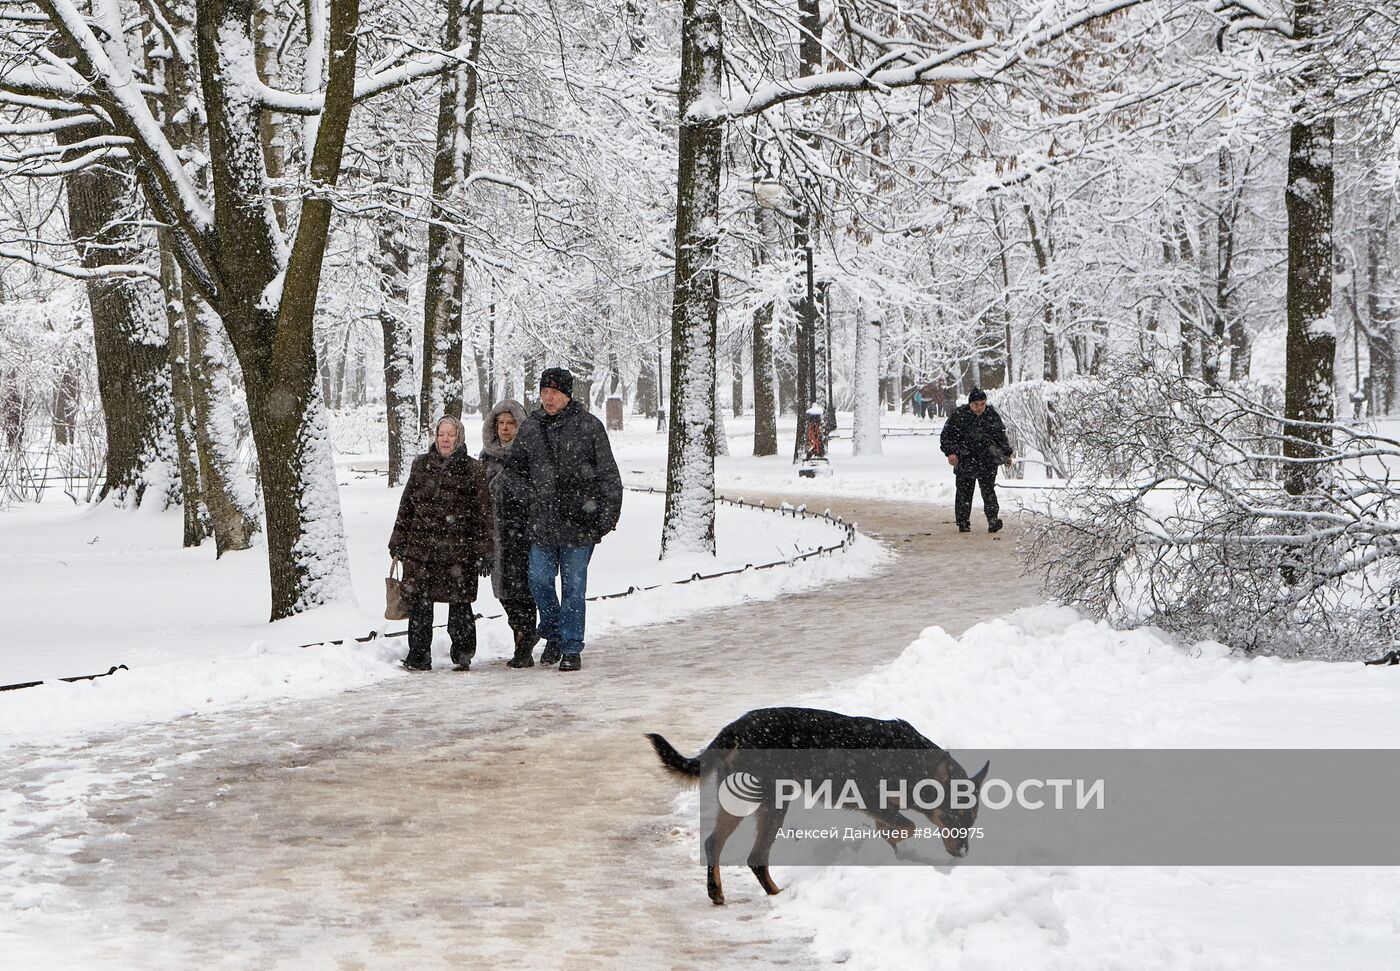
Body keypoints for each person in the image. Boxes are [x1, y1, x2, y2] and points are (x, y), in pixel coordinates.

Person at [508, 367, 623, 672]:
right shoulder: (530, 428)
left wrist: (606, 517)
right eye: (545, 392)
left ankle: (571, 646)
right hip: (542, 522)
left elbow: (608, 475)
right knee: (539, 578)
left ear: (568, 395)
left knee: (573, 586)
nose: (549, 398)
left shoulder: (589, 427)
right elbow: (514, 473)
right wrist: (530, 497)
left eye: (555, 393)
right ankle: (554, 629)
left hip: (579, 523)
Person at [388, 415, 494, 671]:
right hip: (422, 549)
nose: (445, 439)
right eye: (441, 434)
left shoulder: (473, 469)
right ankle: (419, 656)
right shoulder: (421, 465)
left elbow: (483, 515)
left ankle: (463, 654)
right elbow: (407, 507)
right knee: (420, 606)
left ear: (459, 437)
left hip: (459, 551)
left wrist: (484, 551)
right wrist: (398, 540)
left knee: (460, 607)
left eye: (451, 434)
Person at [480, 399, 539, 668]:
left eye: (510, 423)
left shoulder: (529, 455)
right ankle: (521, 633)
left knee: (523, 592)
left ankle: (524, 644)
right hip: (495, 535)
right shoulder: (486, 457)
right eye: (500, 423)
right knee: (504, 592)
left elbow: (537, 492)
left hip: (522, 534)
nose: (505, 428)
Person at [939, 388, 1013, 534]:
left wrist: (1006, 454)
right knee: (964, 492)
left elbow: (1000, 436)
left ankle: (993, 520)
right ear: (970, 404)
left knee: (988, 492)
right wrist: (951, 453)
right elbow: (946, 437)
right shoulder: (959, 415)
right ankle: (963, 522)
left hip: (987, 460)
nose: (980, 408)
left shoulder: (991, 415)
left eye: (982, 404)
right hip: (965, 459)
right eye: (976, 404)